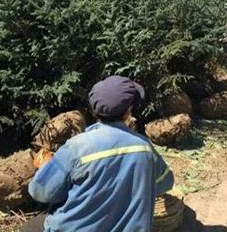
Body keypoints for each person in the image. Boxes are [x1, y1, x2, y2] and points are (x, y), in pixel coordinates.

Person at [21, 75, 174, 232]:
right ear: (128, 111)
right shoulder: (144, 147)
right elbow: (166, 182)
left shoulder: (76, 147)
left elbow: (41, 193)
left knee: (29, 228)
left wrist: (44, 167)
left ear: (95, 109)